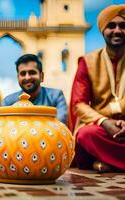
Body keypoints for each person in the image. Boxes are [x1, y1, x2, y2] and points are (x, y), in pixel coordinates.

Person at [70, 4, 125, 173]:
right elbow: (78, 104)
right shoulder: (88, 62)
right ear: (103, 30)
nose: (117, 30)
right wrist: (104, 121)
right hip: (100, 126)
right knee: (86, 135)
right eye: (111, 26)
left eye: (123, 26)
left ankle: (106, 161)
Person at [1, 54, 68, 124]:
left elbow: (59, 125)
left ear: (41, 76)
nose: (27, 77)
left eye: (32, 72)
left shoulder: (56, 96)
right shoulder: (8, 103)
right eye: (23, 74)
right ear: (18, 77)